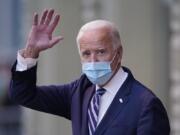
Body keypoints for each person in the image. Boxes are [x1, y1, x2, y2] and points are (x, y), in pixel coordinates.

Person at [9, 9, 170, 135]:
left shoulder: (145, 105)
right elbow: (24, 95)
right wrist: (31, 52)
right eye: (86, 54)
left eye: (100, 52)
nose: (93, 61)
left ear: (119, 53)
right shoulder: (80, 91)